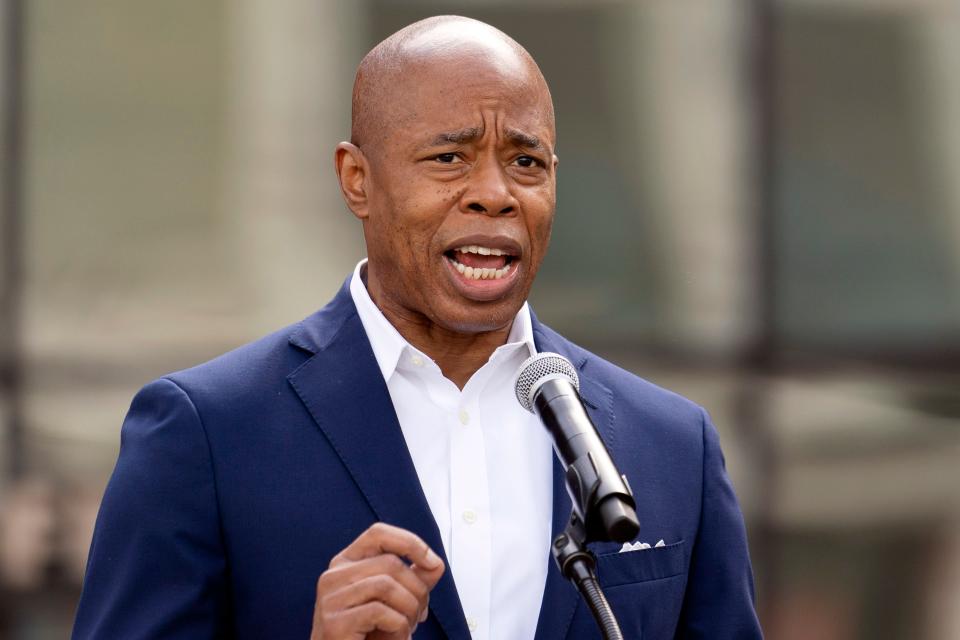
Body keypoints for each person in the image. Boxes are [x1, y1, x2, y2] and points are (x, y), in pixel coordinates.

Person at [72, 15, 762, 640]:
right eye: (448, 158)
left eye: (526, 162)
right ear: (357, 181)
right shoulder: (204, 434)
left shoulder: (674, 445)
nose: (495, 193)